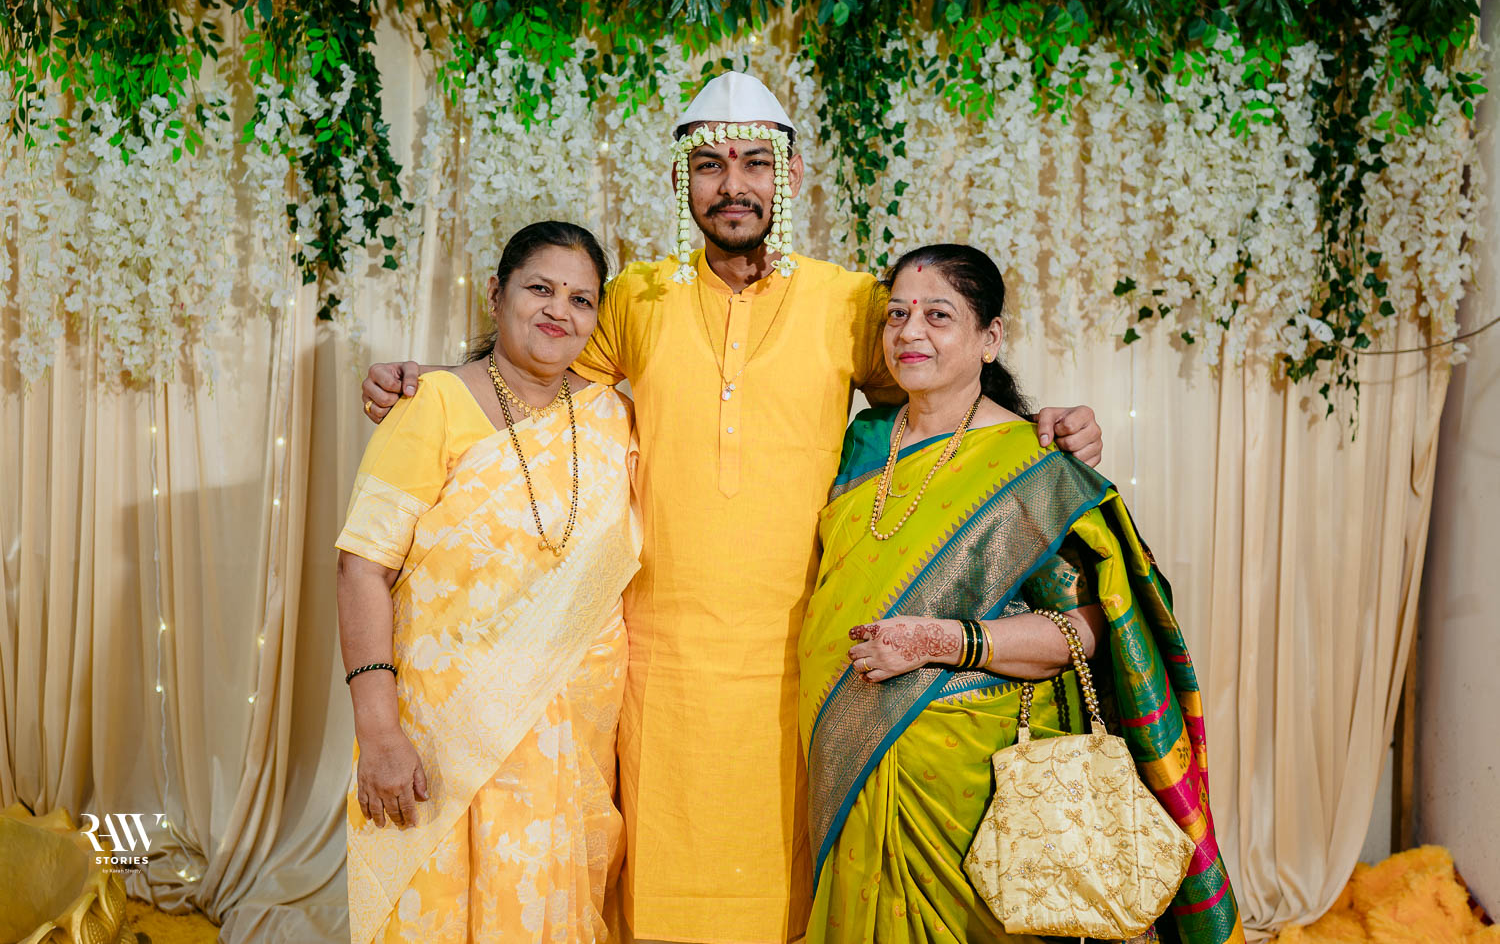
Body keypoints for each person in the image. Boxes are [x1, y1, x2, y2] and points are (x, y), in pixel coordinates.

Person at [361, 73, 1105, 944]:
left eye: (755, 162)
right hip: (657, 664)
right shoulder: (637, 298)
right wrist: (433, 379)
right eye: (710, 165)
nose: (733, 184)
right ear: (682, 180)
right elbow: (532, 372)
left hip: (802, 660)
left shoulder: (849, 303)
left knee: (784, 894)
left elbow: (941, 390)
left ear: (791, 175)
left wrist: (1039, 422)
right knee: (661, 894)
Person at [799, 243, 1244, 944]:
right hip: (848, 756)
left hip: (973, 786)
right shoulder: (862, 441)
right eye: (897, 315)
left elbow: (1094, 627)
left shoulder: (1035, 466)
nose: (911, 332)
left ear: (990, 338)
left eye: (938, 315)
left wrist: (943, 640)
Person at [335, 222, 642, 944]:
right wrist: (378, 731)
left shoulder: (613, 416)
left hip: (577, 729)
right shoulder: (433, 403)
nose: (559, 311)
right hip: (446, 731)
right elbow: (362, 566)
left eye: (581, 299)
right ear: (496, 294)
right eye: (540, 289)